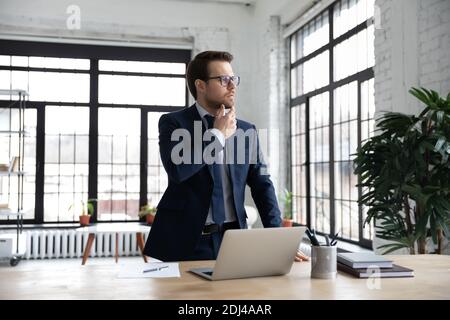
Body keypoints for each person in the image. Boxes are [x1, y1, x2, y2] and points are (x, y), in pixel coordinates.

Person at [143, 51, 309, 262]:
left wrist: (278, 238)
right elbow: (178, 171)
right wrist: (217, 136)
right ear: (200, 85)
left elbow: (262, 185)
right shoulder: (174, 123)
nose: (232, 85)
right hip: (184, 240)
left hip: (233, 240)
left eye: (234, 78)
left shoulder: (247, 130)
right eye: (223, 79)